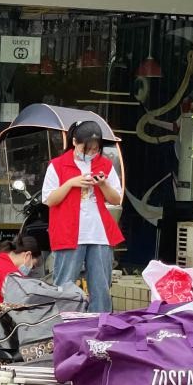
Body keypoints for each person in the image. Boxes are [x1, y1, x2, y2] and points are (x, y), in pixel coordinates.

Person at [41, 120, 123, 313]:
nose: (91, 153)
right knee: (65, 286)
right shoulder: (58, 165)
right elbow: (49, 200)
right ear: (74, 142)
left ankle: (100, 324)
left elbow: (116, 199)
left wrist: (103, 184)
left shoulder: (105, 164)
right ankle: (63, 323)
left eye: (95, 149)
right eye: (87, 149)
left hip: (99, 234)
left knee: (101, 288)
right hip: (69, 232)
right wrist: (71, 183)